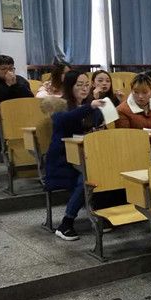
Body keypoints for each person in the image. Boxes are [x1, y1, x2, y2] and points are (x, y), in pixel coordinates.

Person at [43, 84, 105, 241]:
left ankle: (103, 214)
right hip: (62, 162)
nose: (84, 88)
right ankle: (66, 223)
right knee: (86, 178)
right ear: (70, 86)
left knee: (105, 170)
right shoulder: (61, 105)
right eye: (79, 85)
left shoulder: (89, 106)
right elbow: (65, 119)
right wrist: (90, 106)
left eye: (86, 85)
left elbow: (96, 123)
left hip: (84, 157)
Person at [0, 55, 33, 193]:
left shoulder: (20, 80)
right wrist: (7, 85)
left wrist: (15, 85)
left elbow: (29, 98)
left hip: (16, 122)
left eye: (11, 68)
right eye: (3, 69)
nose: (8, 72)